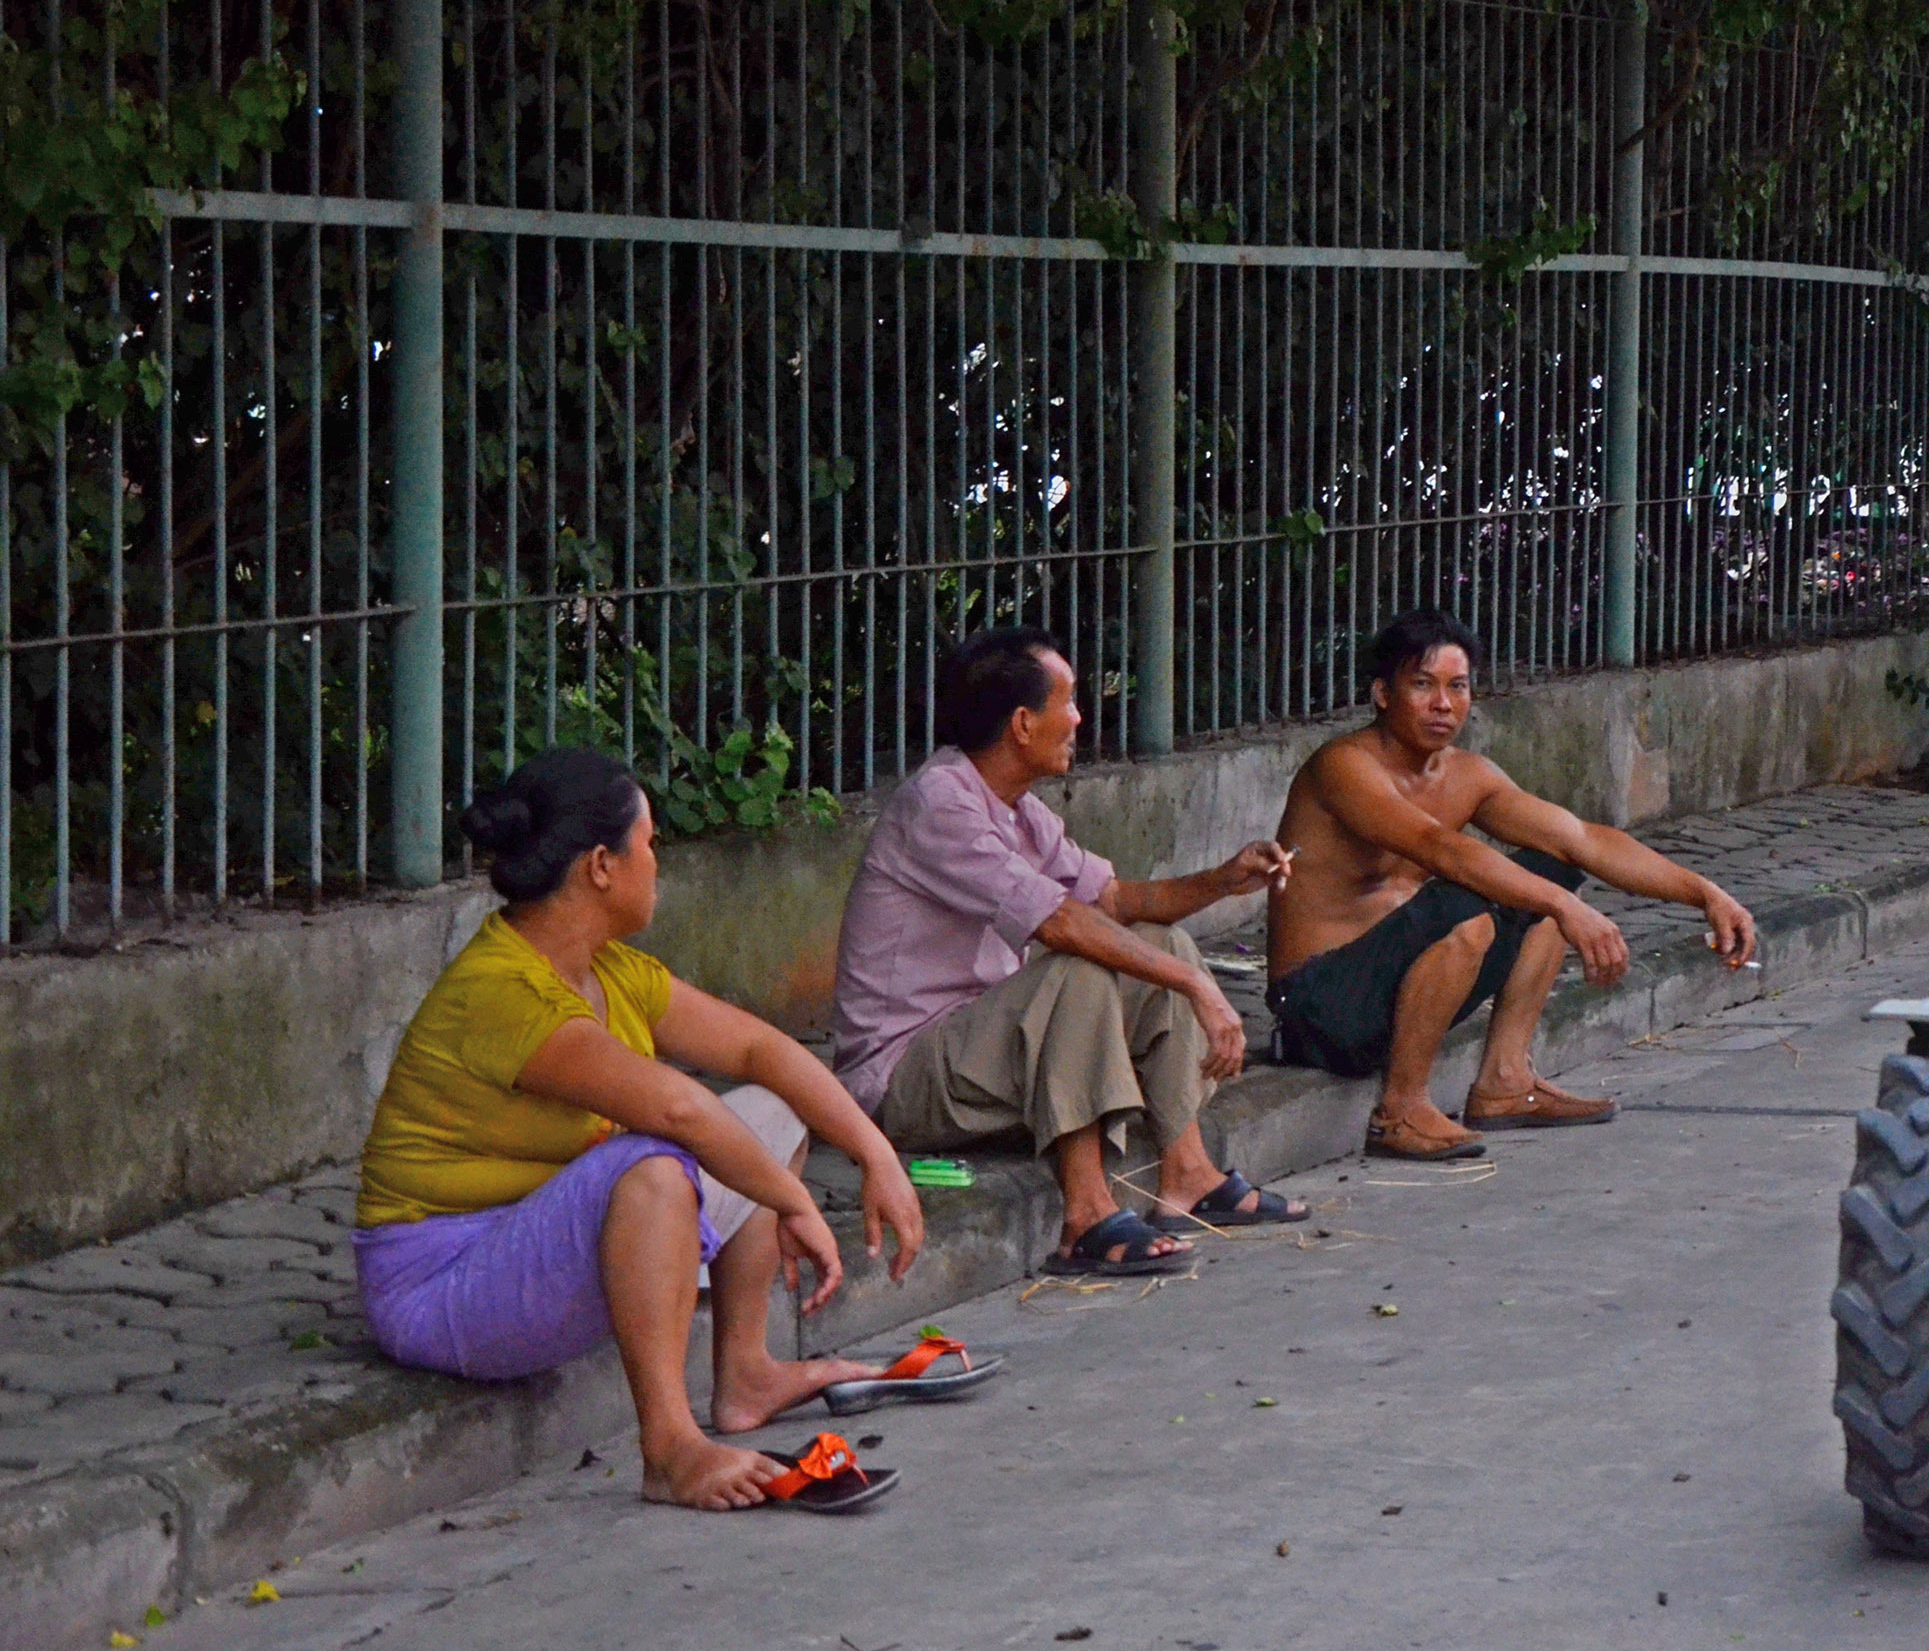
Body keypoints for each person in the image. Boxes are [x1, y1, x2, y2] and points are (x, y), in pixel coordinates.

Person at [354, 749, 952, 1513]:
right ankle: (669, 1449)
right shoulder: (499, 991)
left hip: (523, 1243)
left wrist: (877, 1156)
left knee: (768, 1113)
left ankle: (745, 1375)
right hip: (437, 1286)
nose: (656, 863)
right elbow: (678, 1110)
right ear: (603, 865)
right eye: (650, 844)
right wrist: (796, 1204)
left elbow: (758, 1049)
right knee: (656, 1163)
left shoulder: (609, 969)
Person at [830, 628, 1304, 1277]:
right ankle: (1083, 1215)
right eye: (1070, 700)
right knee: (1079, 969)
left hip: (985, 1047)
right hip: (905, 1075)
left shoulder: (1019, 812)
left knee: (1162, 944)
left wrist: (1222, 879)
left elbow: (1112, 901)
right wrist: (1200, 988)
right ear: (1023, 724)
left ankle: (1187, 1173)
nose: (1081, 717)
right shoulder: (939, 802)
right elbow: (1060, 924)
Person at [1269, 609, 1761, 1161]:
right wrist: (1560, 906)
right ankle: (1400, 1110)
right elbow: (1440, 848)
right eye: (1422, 685)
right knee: (1476, 905)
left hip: (1395, 992)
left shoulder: (1468, 774)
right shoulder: (1343, 766)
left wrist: (1706, 893)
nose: (1443, 704)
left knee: (1550, 875)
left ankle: (1505, 1081)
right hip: (1318, 1007)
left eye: (1457, 687)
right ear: (1383, 694)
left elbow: (1582, 839)